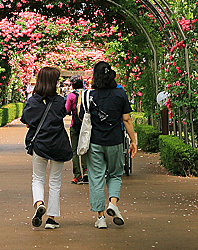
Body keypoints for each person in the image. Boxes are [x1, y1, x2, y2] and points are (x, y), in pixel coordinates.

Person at [78, 61, 137, 229]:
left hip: (95, 142)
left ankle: (101, 218)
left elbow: (83, 118)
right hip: (115, 141)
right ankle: (113, 203)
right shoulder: (120, 94)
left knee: (96, 178)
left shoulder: (89, 95)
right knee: (115, 174)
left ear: (94, 77)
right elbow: (126, 119)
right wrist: (133, 140)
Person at [21, 66, 72, 230]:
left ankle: (39, 203)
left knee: (38, 178)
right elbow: (61, 115)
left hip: (40, 144)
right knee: (55, 182)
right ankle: (51, 219)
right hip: (57, 143)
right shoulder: (59, 101)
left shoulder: (33, 101)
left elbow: (28, 122)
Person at [64, 75, 86, 184]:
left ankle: (78, 175)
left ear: (72, 85)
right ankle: (86, 170)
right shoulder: (88, 93)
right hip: (86, 126)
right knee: (86, 147)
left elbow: (67, 110)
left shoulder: (71, 96)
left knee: (75, 151)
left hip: (75, 125)